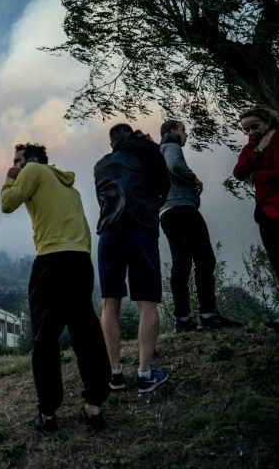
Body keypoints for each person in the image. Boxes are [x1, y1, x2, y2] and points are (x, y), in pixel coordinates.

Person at [0, 143, 111, 434]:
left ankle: (48, 415)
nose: (14, 164)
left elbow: (7, 204)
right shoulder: (69, 188)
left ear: (31, 161)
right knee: (85, 332)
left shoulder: (32, 170)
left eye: (17, 160)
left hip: (52, 260)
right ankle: (94, 407)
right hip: (80, 261)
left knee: (44, 337)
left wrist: (11, 177)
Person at [94, 123, 171, 393]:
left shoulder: (101, 164)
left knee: (109, 302)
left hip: (109, 234)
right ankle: (145, 373)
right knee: (147, 303)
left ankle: (114, 373)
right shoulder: (147, 154)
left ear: (111, 144)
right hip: (140, 230)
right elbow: (164, 187)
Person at [158, 120, 242, 331]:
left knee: (181, 265)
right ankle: (208, 315)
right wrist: (195, 179)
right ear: (172, 131)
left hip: (166, 212)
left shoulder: (156, 153)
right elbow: (175, 165)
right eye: (183, 131)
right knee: (204, 259)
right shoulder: (171, 146)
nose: (186, 135)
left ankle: (183, 319)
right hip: (183, 210)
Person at [233, 106, 279, 331]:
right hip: (266, 210)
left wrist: (257, 175)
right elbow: (238, 172)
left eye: (255, 126)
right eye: (246, 129)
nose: (251, 132)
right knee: (278, 260)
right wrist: (259, 151)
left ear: (267, 121)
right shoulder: (253, 146)